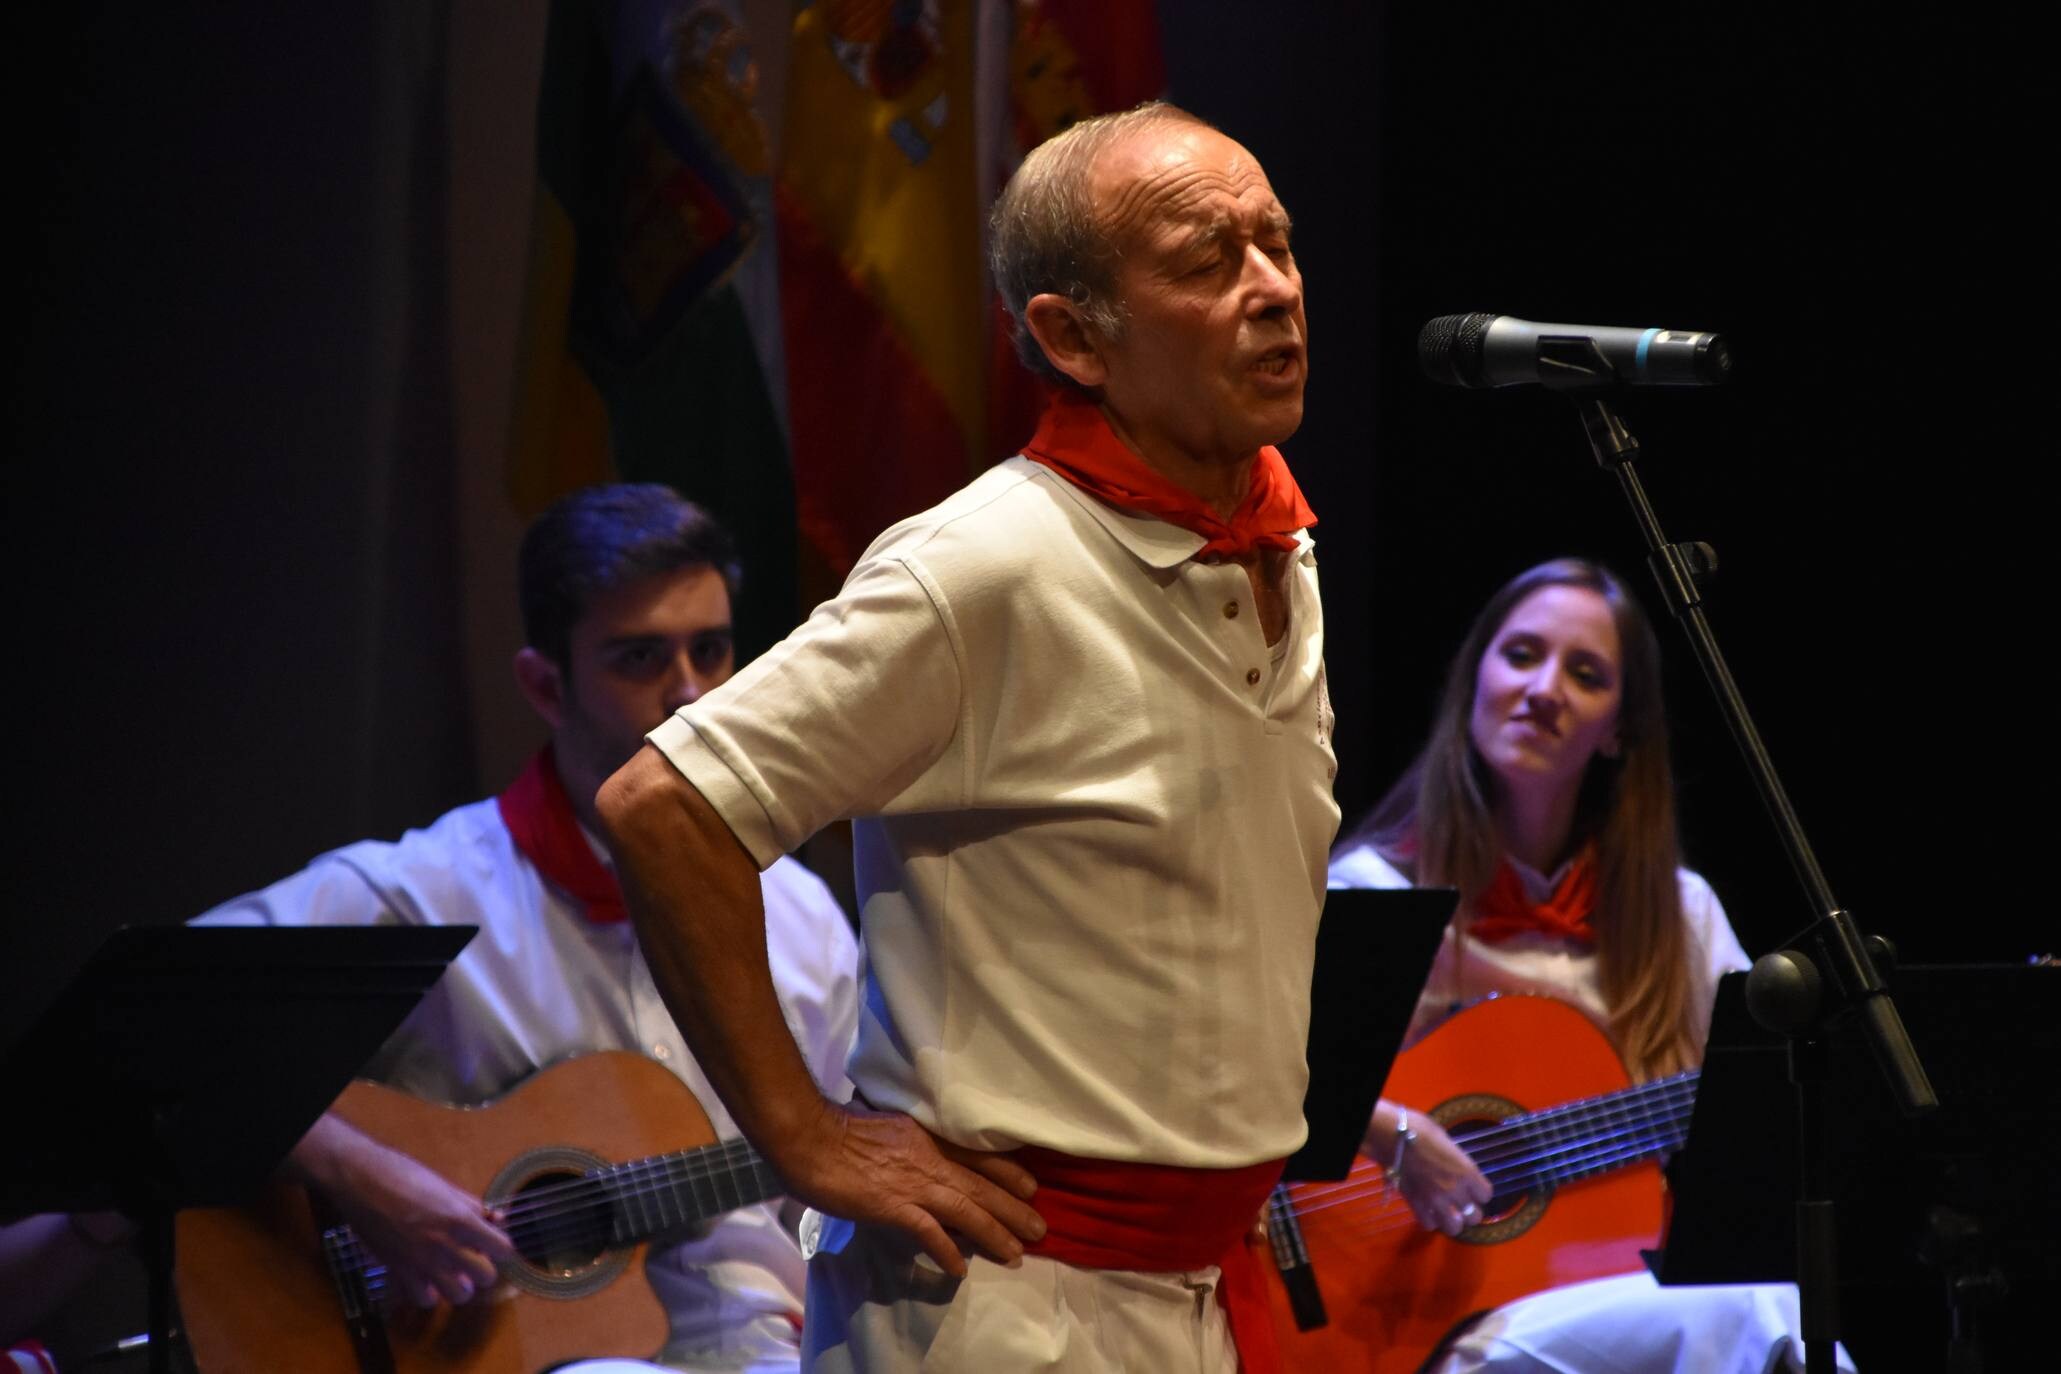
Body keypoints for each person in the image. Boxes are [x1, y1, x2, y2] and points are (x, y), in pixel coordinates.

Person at [597, 101, 1335, 1373]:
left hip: (1199, 1292)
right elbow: (665, 809)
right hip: (1005, 1311)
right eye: (1209, 261)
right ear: (1071, 337)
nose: (1272, 289)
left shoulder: (1279, 544)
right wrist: (804, 1135)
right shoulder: (985, 565)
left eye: (1276, 243)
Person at [195, 485, 860, 1374]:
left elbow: (853, 1160)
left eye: (711, 649)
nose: (694, 696)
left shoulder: (801, 913)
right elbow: (168, 1016)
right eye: (639, 659)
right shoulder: (428, 890)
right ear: (545, 684)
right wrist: (359, 1176)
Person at [1330, 557, 1851, 1374]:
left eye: (1585, 674)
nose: (1543, 689)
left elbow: (1761, 1112)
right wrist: (1392, 1132)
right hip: (1396, 1316)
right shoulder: (1372, 891)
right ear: (1475, 679)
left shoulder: (1676, 916)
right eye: (1521, 655)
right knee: (1757, 1317)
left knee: (1772, 1305)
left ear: (1616, 728)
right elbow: (1263, 1067)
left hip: (1603, 1291)